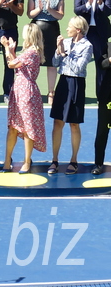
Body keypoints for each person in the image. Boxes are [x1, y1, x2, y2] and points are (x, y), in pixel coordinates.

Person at [49, 16, 92, 175]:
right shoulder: (65, 42)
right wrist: (59, 51)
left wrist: (64, 54)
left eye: (70, 27)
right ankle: (54, 160)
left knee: (74, 124)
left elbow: (78, 68)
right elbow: (54, 63)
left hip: (76, 85)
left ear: (78, 30)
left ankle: (74, 160)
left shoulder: (87, 46)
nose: (67, 29)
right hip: (63, 83)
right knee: (57, 123)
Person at [0, 24, 46, 174]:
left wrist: (6, 47)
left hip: (27, 92)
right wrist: (12, 51)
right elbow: (17, 64)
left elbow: (11, 64)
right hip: (18, 90)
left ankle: (27, 161)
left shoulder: (32, 52)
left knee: (27, 129)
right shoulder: (28, 52)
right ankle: (7, 159)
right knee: (13, 126)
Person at [27, 0, 64, 103]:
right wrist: (39, 9)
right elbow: (30, 14)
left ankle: (51, 93)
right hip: (36, 31)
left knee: (52, 63)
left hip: (52, 30)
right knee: (33, 62)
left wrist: (49, 10)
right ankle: (32, 92)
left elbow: (60, 15)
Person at [74, 0, 111, 96]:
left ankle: (101, 95)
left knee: (101, 64)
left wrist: (101, 4)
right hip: (84, 32)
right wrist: (89, 4)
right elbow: (77, 10)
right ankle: (78, 94)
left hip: (100, 33)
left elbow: (108, 11)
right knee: (79, 63)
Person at [94, 43, 111, 175]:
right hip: (107, 97)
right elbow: (101, 64)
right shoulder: (108, 47)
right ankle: (98, 164)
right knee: (102, 133)